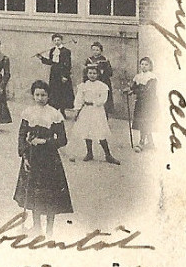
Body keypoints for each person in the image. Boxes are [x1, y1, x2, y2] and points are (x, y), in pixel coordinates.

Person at [14, 81, 73, 236]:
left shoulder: (54, 114)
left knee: (50, 193)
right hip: (32, 157)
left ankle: (49, 229)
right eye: (37, 95)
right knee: (34, 193)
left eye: (43, 95)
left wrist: (45, 142)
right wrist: (24, 155)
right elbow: (22, 135)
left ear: (48, 96)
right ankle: (36, 227)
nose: (40, 98)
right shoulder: (28, 112)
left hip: (49, 159)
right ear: (33, 95)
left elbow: (62, 139)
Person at [74, 64, 120, 165]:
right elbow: (79, 98)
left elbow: (103, 99)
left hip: (97, 111)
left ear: (98, 74)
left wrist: (95, 102)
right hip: (86, 111)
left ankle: (108, 155)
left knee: (100, 132)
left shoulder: (102, 86)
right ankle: (89, 153)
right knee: (87, 131)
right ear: (86, 74)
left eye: (94, 73)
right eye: (90, 73)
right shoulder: (83, 86)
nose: (92, 75)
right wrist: (77, 109)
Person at [37, 34, 74, 116]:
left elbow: (68, 64)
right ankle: (54, 111)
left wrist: (65, 76)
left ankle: (62, 111)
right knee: (54, 92)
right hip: (54, 74)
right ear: (53, 41)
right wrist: (41, 58)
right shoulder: (52, 50)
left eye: (58, 40)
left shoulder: (66, 51)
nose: (57, 42)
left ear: (61, 40)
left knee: (63, 92)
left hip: (62, 73)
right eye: (55, 40)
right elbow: (51, 62)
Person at [129, 57, 158, 152]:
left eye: (146, 64)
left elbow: (146, 91)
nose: (144, 66)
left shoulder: (152, 77)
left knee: (145, 121)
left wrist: (133, 91)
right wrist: (129, 89)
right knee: (143, 121)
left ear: (150, 66)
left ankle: (141, 142)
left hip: (149, 103)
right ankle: (151, 142)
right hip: (141, 102)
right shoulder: (138, 76)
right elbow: (133, 86)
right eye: (142, 64)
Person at [85, 42, 115, 117]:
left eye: (97, 50)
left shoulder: (105, 60)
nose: (95, 52)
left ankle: (105, 117)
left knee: (103, 100)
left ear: (101, 51)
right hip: (92, 83)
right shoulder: (89, 60)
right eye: (93, 50)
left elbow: (110, 73)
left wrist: (103, 71)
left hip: (103, 81)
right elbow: (85, 72)